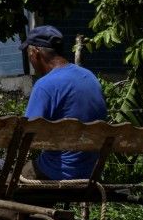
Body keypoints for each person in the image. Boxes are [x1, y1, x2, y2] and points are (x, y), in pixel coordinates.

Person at [20, 25, 107, 180]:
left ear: (35, 53)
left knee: (8, 184)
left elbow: (27, 136)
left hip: (57, 172)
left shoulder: (45, 85)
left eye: (29, 55)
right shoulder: (90, 77)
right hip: (91, 172)